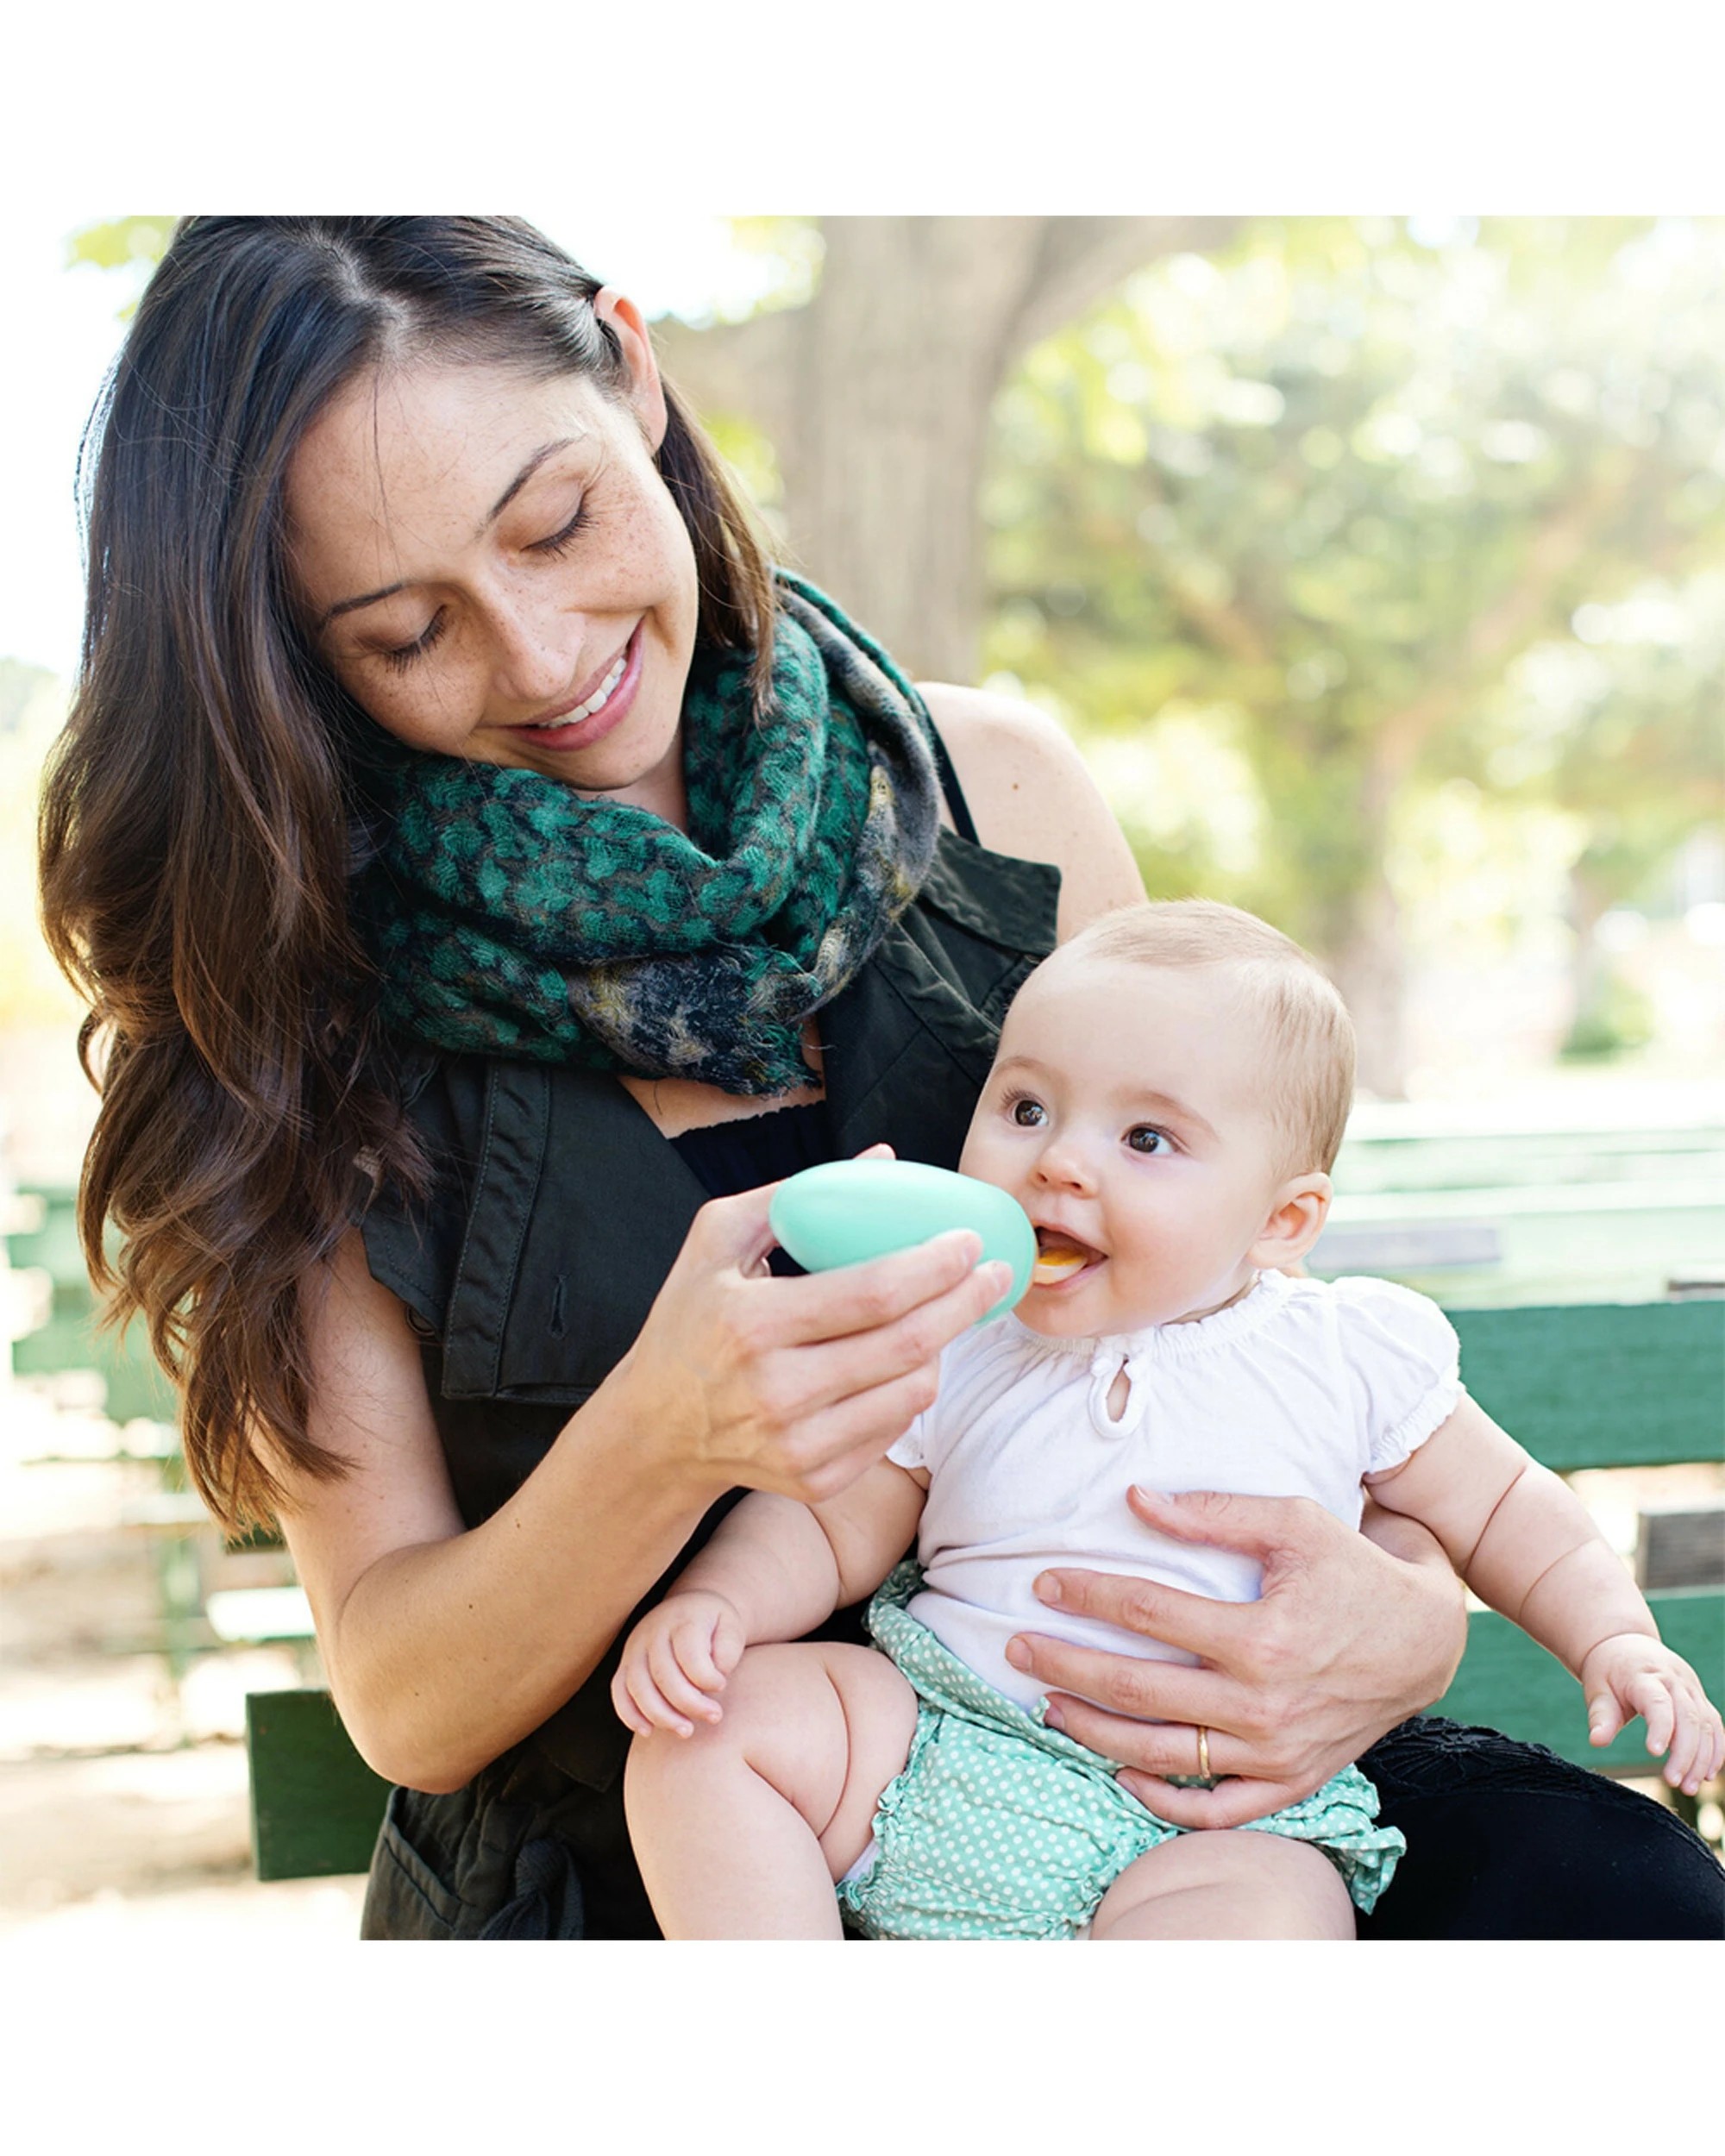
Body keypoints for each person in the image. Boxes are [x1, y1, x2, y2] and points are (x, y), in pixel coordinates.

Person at [38, 216, 1723, 1940]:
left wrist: (1407, 1624)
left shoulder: (998, 790)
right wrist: (665, 1439)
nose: (543, 658)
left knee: (1622, 1906)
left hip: (1149, 1784)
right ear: (295, 652)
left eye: (556, 521)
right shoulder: (294, 1008)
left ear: (632, 367)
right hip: (681, 1838)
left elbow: (1251, 1337)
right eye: (407, 631)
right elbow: (405, 1692)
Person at [614, 902, 1725, 1938]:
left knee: (1273, 1912)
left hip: (1208, 1821)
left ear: (1283, 1219)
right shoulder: (960, 1335)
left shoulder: (1344, 1352)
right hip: (937, 1744)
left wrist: (1614, 1635)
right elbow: (827, 1521)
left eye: (1145, 1139)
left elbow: (1508, 1508)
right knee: (707, 1737)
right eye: (1027, 1108)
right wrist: (720, 1607)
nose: (1058, 1160)